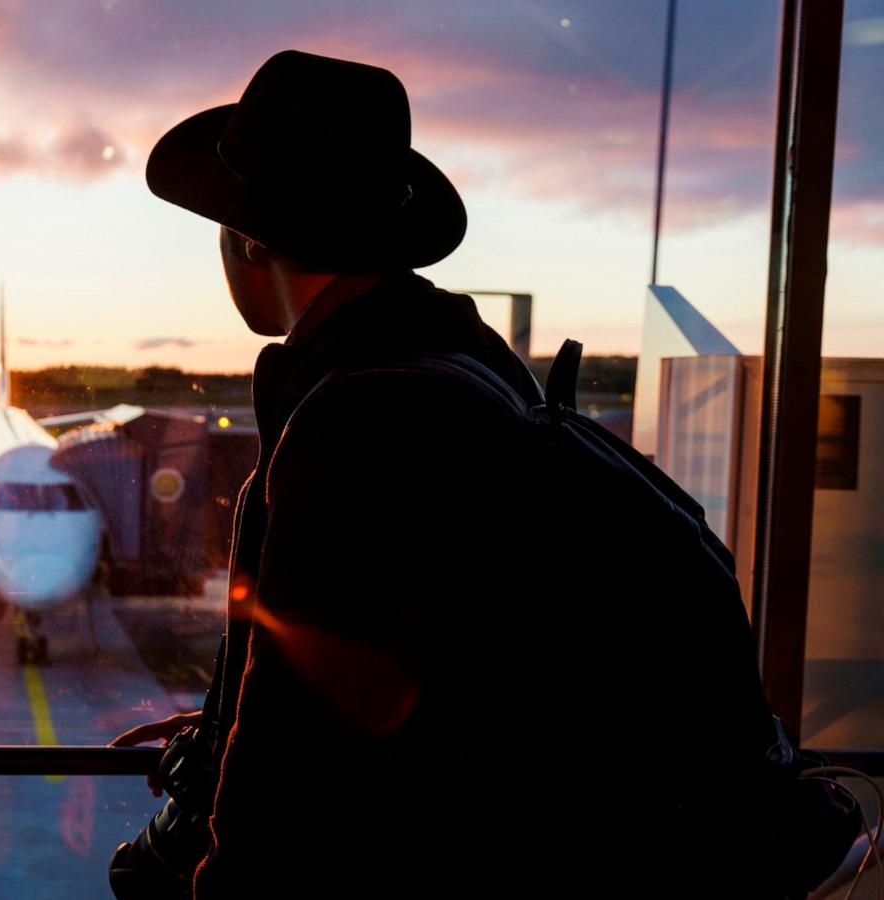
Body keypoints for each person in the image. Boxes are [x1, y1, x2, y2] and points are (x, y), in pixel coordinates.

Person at [109, 50, 594, 896]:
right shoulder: (472, 367)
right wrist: (230, 723)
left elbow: (296, 789)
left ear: (250, 239)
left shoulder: (358, 419)